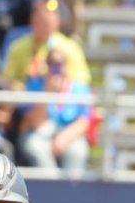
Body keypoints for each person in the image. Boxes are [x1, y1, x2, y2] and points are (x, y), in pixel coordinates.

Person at [18, 48, 91, 176]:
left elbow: (84, 122)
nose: (57, 67)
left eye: (60, 63)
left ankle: (72, 188)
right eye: (52, 63)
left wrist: (63, 138)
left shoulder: (80, 88)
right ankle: (52, 184)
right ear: (47, 65)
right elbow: (33, 122)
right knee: (35, 146)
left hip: (69, 134)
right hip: (41, 132)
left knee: (78, 151)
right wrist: (48, 92)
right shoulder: (35, 85)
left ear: (66, 65)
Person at [1, 0, 91, 87]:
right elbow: (8, 78)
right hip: (27, 94)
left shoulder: (70, 48)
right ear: (32, 20)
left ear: (58, 22)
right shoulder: (19, 47)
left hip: (60, 94)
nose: (44, 25)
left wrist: (62, 83)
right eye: (41, 20)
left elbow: (82, 81)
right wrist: (24, 88)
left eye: (48, 22)